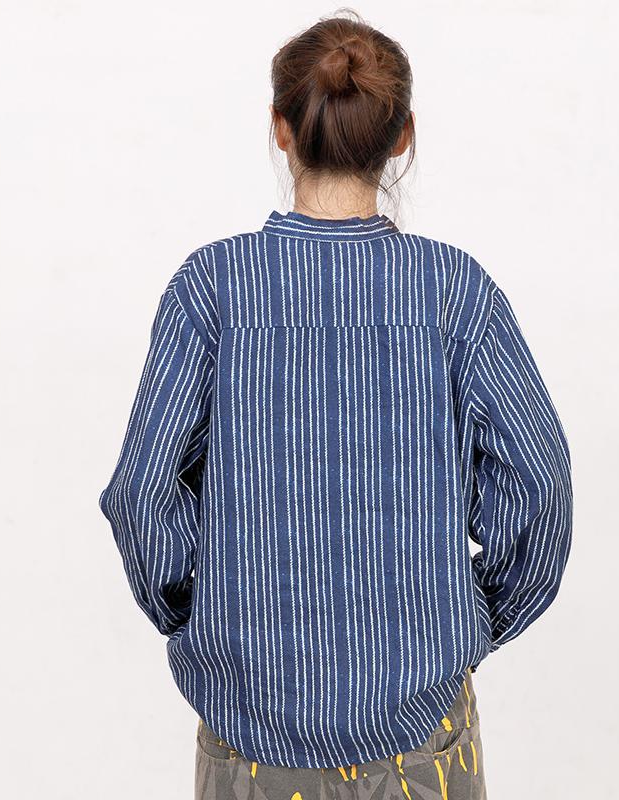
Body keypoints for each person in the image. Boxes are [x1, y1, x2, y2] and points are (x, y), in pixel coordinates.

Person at [98, 11, 573, 800]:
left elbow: (141, 492)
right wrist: (472, 621)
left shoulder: (212, 291)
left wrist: (198, 614)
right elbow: (541, 481)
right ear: (402, 136)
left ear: (280, 128)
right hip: (420, 737)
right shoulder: (454, 294)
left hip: (250, 737)